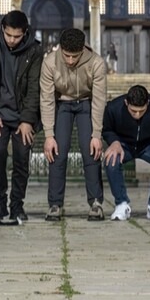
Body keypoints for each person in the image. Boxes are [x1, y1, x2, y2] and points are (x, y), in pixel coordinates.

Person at [0, 10, 44, 222]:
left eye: (17, 36)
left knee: (22, 159)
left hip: (23, 116)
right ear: (2, 29)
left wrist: (27, 120)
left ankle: (17, 205)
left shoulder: (35, 50)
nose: (12, 40)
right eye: (9, 35)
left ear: (25, 33)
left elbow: (34, 88)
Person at [40, 28, 106, 221]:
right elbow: (46, 100)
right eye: (66, 56)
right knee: (57, 154)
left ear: (82, 51)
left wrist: (96, 135)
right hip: (63, 104)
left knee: (91, 152)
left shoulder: (97, 63)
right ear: (60, 49)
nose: (69, 61)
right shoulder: (49, 62)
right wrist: (49, 135)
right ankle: (54, 204)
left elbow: (99, 100)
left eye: (74, 56)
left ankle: (95, 203)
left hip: (86, 103)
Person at [102, 84, 150, 221]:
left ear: (148, 103)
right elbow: (107, 130)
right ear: (126, 103)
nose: (137, 115)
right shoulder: (113, 108)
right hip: (124, 145)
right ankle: (121, 204)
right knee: (111, 159)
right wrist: (114, 142)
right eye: (133, 111)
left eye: (141, 111)